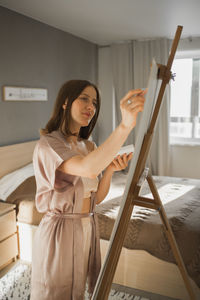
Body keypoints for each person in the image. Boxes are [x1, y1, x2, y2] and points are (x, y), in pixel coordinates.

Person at [30, 79, 146, 300]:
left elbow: (97, 198)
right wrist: (125, 126)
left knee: (77, 289)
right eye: (84, 98)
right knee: (54, 291)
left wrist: (110, 169)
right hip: (59, 231)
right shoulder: (48, 144)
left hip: (87, 226)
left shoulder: (89, 146)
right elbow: (89, 169)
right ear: (65, 102)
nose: (91, 106)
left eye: (94, 102)